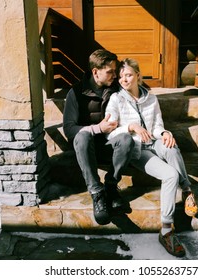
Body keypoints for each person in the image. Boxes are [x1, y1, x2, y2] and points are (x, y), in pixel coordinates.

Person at [105, 58, 198, 257]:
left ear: (138, 75)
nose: (124, 80)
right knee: (170, 175)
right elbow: (110, 133)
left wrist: (164, 133)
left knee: (171, 147)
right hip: (138, 150)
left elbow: (156, 126)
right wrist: (130, 127)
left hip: (153, 142)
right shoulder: (116, 99)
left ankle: (187, 190)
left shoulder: (151, 98)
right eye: (121, 76)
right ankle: (166, 230)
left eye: (128, 75)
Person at [63, 49, 135, 226]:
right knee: (82, 136)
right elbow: (69, 129)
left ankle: (111, 187)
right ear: (95, 72)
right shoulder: (76, 92)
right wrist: (98, 128)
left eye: (115, 71)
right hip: (87, 149)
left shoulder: (117, 89)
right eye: (110, 72)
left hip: (110, 146)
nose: (115, 75)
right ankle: (97, 193)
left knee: (126, 139)